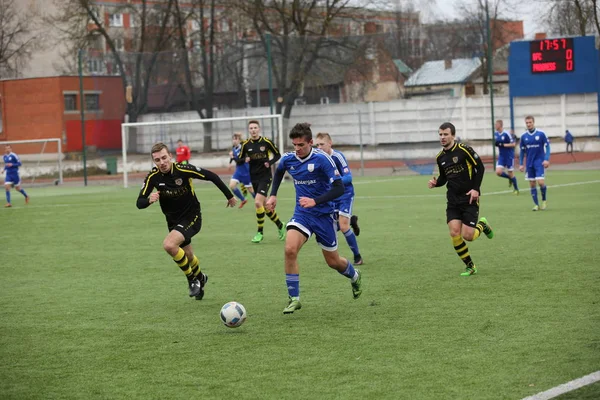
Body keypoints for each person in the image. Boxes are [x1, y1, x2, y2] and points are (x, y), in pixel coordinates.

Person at [266, 123, 362, 314]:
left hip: (324, 216)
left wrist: (315, 201)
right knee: (290, 249)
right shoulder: (288, 159)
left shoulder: (323, 160)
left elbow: (339, 188)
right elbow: (278, 173)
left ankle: (354, 275)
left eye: (301, 145)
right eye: (294, 145)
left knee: (333, 262)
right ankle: (294, 298)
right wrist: (273, 194)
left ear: (310, 143)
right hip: (302, 215)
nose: (297, 149)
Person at [136, 142, 236, 299]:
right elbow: (139, 203)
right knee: (188, 255)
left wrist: (229, 196)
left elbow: (212, 176)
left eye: (164, 158)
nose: (162, 163)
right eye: (157, 160)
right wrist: (149, 200)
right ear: (153, 161)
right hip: (173, 221)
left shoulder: (183, 169)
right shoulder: (153, 177)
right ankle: (201, 278)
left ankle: (192, 280)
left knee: (169, 245)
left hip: (192, 216)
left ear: (170, 156)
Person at [427, 122, 494, 276]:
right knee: (454, 232)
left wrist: (476, 189)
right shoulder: (440, 157)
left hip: (469, 198)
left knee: (468, 236)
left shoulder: (464, 150)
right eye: (440, 134)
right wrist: (436, 183)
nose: (442, 137)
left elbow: (480, 167)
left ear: (453, 135)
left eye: (445, 134)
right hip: (453, 200)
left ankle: (482, 225)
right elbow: (444, 178)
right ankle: (470, 266)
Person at [314, 132, 363, 265]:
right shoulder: (318, 158)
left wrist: (334, 181)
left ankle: (357, 257)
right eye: (317, 144)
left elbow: (348, 177)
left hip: (345, 194)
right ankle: (351, 220)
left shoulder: (337, 156)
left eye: (322, 144)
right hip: (332, 196)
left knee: (343, 226)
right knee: (330, 226)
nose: (319, 147)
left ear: (330, 143)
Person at [238, 120, 286, 243]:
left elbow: (278, 155)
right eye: (251, 128)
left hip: (265, 176)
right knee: (265, 206)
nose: (253, 130)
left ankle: (260, 232)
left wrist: (269, 163)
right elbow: (240, 159)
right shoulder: (245, 144)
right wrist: (245, 159)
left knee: (257, 203)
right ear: (249, 130)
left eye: (255, 127)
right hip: (253, 177)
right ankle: (280, 225)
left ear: (259, 129)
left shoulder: (266, 141)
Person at [519, 116, 551, 211]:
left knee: (541, 183)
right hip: (529, 163)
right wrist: (521, 164)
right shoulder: (524, 136)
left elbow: (548, 147)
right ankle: (536, 204)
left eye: (530, 122)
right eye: (527, 123)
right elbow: (522, 152)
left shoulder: (541, 134)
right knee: (532, 184)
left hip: (539, 162)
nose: (528, 124)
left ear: (533, 122)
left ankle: (544, 200)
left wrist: (546, 159)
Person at [228, 132, 254, 209]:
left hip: (246, 172)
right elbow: (234, 156)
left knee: (251, 190)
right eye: (233, 139)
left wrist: (232, 157)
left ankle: (260, 202)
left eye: (236, 139)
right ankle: (243, 199)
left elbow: (241, 160)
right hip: (238, 171)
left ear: (239, 140)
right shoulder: (234, 147)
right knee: (232, 186)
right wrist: (230, 162)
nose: (234, 141)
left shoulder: (243, 148)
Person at [494, 119, 519, 194]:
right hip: (501, 156)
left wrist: (503, 145)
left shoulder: (506, 134)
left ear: (500, 125)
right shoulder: (496, 134)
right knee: (498, 172)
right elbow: (497, 143)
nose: (495, 126)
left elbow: (513, 144)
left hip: (509, 156)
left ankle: (516, 189)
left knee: (511, 172)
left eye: (496, 124)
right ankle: (510, 178)